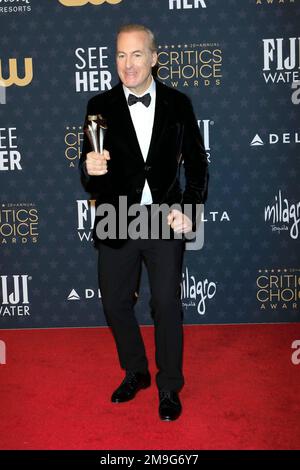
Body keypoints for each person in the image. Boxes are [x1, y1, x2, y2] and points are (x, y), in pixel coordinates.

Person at [79, 24, 208, 421]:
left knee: (166, 304)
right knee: (115, 303)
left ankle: (169, 385)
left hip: (164, 218)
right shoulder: (98, 108)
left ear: (154, 58)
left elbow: (198, 165)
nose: (128, 64)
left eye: (137, 54)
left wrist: (188, 207)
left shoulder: (178, 104)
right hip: (117, 217)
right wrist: (89, 167)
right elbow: (90, 176)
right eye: (120, 55)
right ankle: (136, 370)